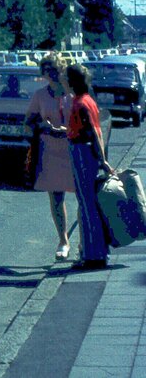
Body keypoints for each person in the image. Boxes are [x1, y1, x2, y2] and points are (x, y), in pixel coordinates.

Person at [42, 63, 115, 270]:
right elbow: (84, 128)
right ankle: (92, 252)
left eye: (65, 78)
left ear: (72, 81)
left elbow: (93, 132)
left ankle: (93, 255)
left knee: (87, 205)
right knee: (87, 204)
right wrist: (62, 130)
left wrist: (103, 161)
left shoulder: (81, 104)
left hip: (83, 154)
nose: (62, 80)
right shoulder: (85, 101)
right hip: (81, 150)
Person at [24, 54, 75, 260]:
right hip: (51, 152)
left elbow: (89, 121)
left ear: (62, 70)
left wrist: (67, 129)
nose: (51, 74)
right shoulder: (39, 96)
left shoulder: (73, 94)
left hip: (74, 150)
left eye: (55, 69)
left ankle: (87, 243)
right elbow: (28, 124)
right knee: (56, 198)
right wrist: (42, 126)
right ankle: (63, 241)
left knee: (85, 197)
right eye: (46, 70)